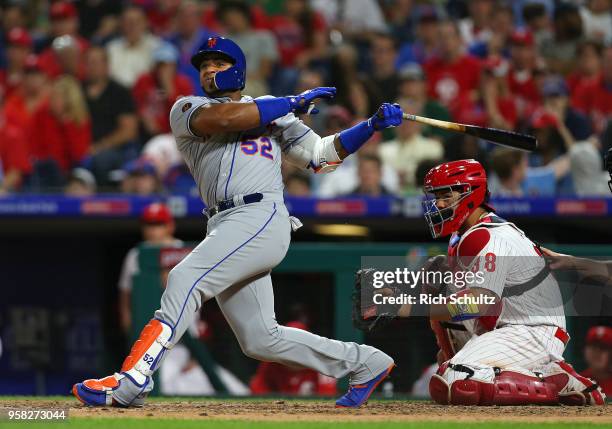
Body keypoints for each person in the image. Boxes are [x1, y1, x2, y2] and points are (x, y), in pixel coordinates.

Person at [72, 36, 399, 409]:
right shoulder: (188, 107)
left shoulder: (275, 112)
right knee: (261, 339)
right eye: (204, 65)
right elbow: (226, 118)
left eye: (219, 63)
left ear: (239, 68)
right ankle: (366, 362)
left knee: (184, 278)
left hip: (260, 215)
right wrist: (290, 102)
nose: (209, 70)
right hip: (223, 222)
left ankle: (132, 379)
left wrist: (369, 126)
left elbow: (322, 156)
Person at [386, 159, 605, 406]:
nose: (438, 204)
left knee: (459, 380)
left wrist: (407, 307)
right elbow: (456, 308)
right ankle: (476, 366)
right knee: (437, 285)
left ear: (471, 193)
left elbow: (479, 304)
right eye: (435, 196)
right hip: (508, 326)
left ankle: (555, 380)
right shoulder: (464, 235)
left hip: (533, 330)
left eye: (446, 195)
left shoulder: (487, 235)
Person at [83, 46, 138, 188]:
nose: (91, 67)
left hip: (113, 149)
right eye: (88, 62)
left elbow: (128, 131)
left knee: (101, 161)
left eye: (95, 62)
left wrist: (100, 146)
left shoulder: (119, 92)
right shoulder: (78, 90)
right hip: (82, 147)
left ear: (106, 65)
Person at [249, 321, 337, 396]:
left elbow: (328, 396)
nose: (294, 352)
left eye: (299, 347)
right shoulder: (271, 362)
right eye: (289, 346)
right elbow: (257, 389)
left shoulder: (320, 363)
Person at [106, 6, 162, 88]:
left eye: (137, 22)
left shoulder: (157, 47)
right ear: (121, 25)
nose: (132, 26)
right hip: (117, 95)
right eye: (128, 22)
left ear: (146, 23)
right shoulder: (111, 48)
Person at [581, 326, 612, 395]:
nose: (597, 352)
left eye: (603, 347)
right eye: (593, 347)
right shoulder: (578, 382)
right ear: (584, 350)